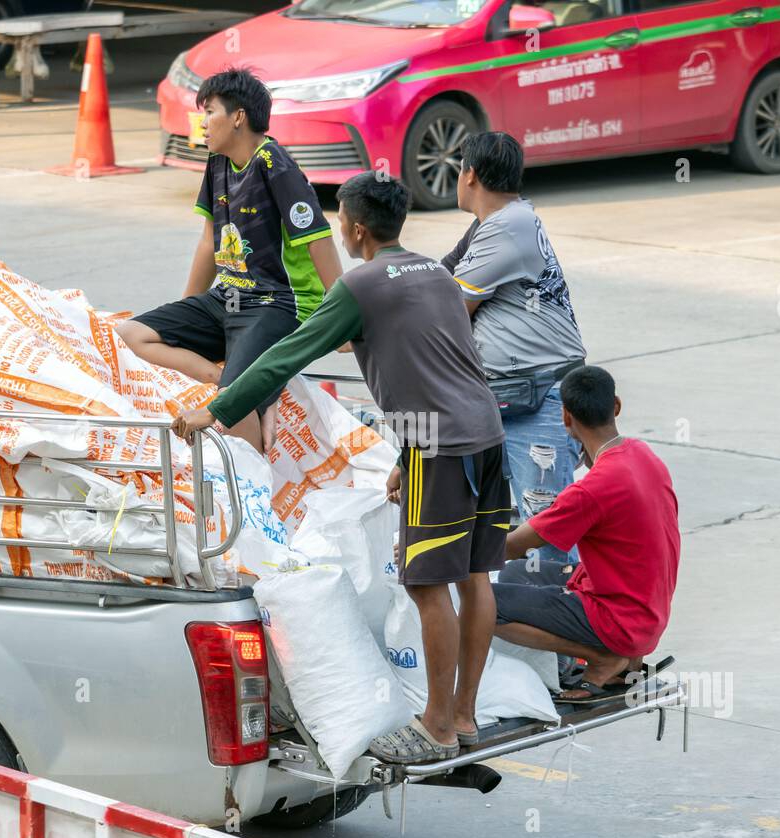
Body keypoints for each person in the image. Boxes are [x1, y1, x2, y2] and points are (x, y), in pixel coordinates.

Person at [174, 173, 510, 763]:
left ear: (355, 229)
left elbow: (285, 355)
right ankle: (464, 715)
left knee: (427, 585)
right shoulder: (434, 272)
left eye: (340, 224)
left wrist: (217, 409)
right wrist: (407, 454)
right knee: (475, 577)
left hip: (442, 448)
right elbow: (445, 366)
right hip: (484, 434)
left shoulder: (361, 286)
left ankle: (435, 725)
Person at [117, 68, 342, 451]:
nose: (201, 124)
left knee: (231, 408)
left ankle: (253, 489)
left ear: (238, 117)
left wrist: (342, 321)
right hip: (227, 298)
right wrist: (186, 308)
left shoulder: (276, 166)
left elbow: (320, 242)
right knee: (128, 335)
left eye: (209, 113)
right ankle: (229, 383)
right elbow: (210, 242)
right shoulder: (217, 161)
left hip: (276, 304)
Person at [440, 131, 586, 563]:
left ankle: (575, 622)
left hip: (538, 397)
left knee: (546, 542)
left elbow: (449, 309)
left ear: (470, 175)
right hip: (517, 395)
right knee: (514, 528)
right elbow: (440, 274)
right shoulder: (502, 221)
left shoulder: (506, 227)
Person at [494, 365, 680, 701]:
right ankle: (624, 657)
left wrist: (434, 547)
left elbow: (507, 547)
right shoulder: (644, 455)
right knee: (515, 573)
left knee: (484, 606)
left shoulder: (590, 491)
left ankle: (603, 656)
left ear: (565, 417)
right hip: (649, 611)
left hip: (619, 621)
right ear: (617, 406)